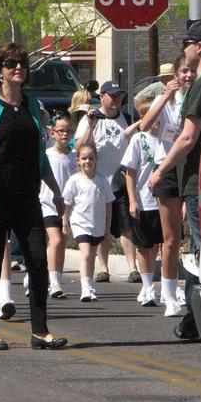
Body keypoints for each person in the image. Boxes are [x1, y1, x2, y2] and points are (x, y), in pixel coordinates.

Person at [0, 42, 67, 350]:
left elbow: (39, 154)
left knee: (38, 260)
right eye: (11, 63)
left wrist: (55, 189)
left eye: (22, 63)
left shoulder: (30, 103)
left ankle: (40, 330)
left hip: (27, 196)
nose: (18, 68)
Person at [148, 19, 201, 339]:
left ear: (199, 47)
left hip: (200, 180)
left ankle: (197, 322)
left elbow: (187, 137)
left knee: (200, 255)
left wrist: (160, 170)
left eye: (187, 43)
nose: (184, 49)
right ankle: (198, 321)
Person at [139, 54, 193, 316]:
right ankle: (168, 294)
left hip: (192, 170)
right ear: (175, 75)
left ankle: (189, 289)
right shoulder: (168, 101)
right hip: (168, 170)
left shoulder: (198, 99)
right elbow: (145, 124)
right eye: (184, 71)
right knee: (171, 238)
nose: (188, 76)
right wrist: (164, 98)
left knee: (190, 238)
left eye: (191, 71)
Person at [75, 81, 138, 284]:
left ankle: (132, 267)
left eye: (119, 95)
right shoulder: (90, 119)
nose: (116, 99)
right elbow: (79, 147)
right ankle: (103, 268)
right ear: (102, 97)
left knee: (126, 226)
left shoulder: (126, 118)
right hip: (98, 180)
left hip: (120, 179)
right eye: (112, 95)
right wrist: (91, 126)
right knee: (102, 227)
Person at [122, 100, 165, 308]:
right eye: (153, 116)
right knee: (143, 247)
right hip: (142, 201)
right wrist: (132, 200)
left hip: (162, 203)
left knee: (156, 245)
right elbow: (130, 173)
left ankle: (154, 285)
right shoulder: (139, 139)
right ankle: (147, 287)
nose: (157, 121)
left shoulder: (166, 140)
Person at [63, 143, 115, 303]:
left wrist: (107, 228)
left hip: (97, 225)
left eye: (91, 158)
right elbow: (66, 204)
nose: (87, 161)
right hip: (80, 223)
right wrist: (65, 223)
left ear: (96, 160)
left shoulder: (102, 181)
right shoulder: (74, 181)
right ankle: (85, 288)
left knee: (91, 256)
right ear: (78, 160)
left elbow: (108, 205)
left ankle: (90, 285)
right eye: (84, 158)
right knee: (85, 254)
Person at [39, 112, 76, 299]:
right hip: (47, 204)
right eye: (60, 131)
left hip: (67, 208)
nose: (64, 134)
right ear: (52, 133)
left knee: (61, 242)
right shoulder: (47, 154)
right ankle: (52, 283)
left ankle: (54, 279)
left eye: (68, 131)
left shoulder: (73, 157)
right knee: (55, 240)